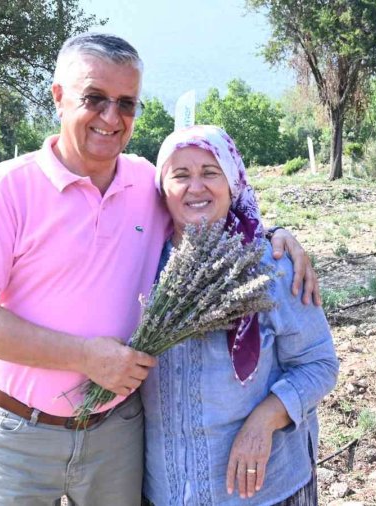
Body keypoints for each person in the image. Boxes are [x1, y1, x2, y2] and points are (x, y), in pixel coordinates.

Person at [0, 33, 319, 506]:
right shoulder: (7, 188)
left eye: (126, 104)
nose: (110, 118)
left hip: (116, 434)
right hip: (21, 434)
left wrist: (275, 236)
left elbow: (212, 209)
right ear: (59, 98)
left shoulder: (146, 183)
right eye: (94, 99)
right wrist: (85, 357)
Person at [142, 125, 339, 506]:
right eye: (180, 175)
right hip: (165, 489)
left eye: (210, 173)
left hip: (263, 491)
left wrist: (265, 419)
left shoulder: (272, 265)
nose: (195, 187)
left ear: (232, 182)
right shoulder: (145, 264)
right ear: (162, 188)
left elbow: (319, 363)